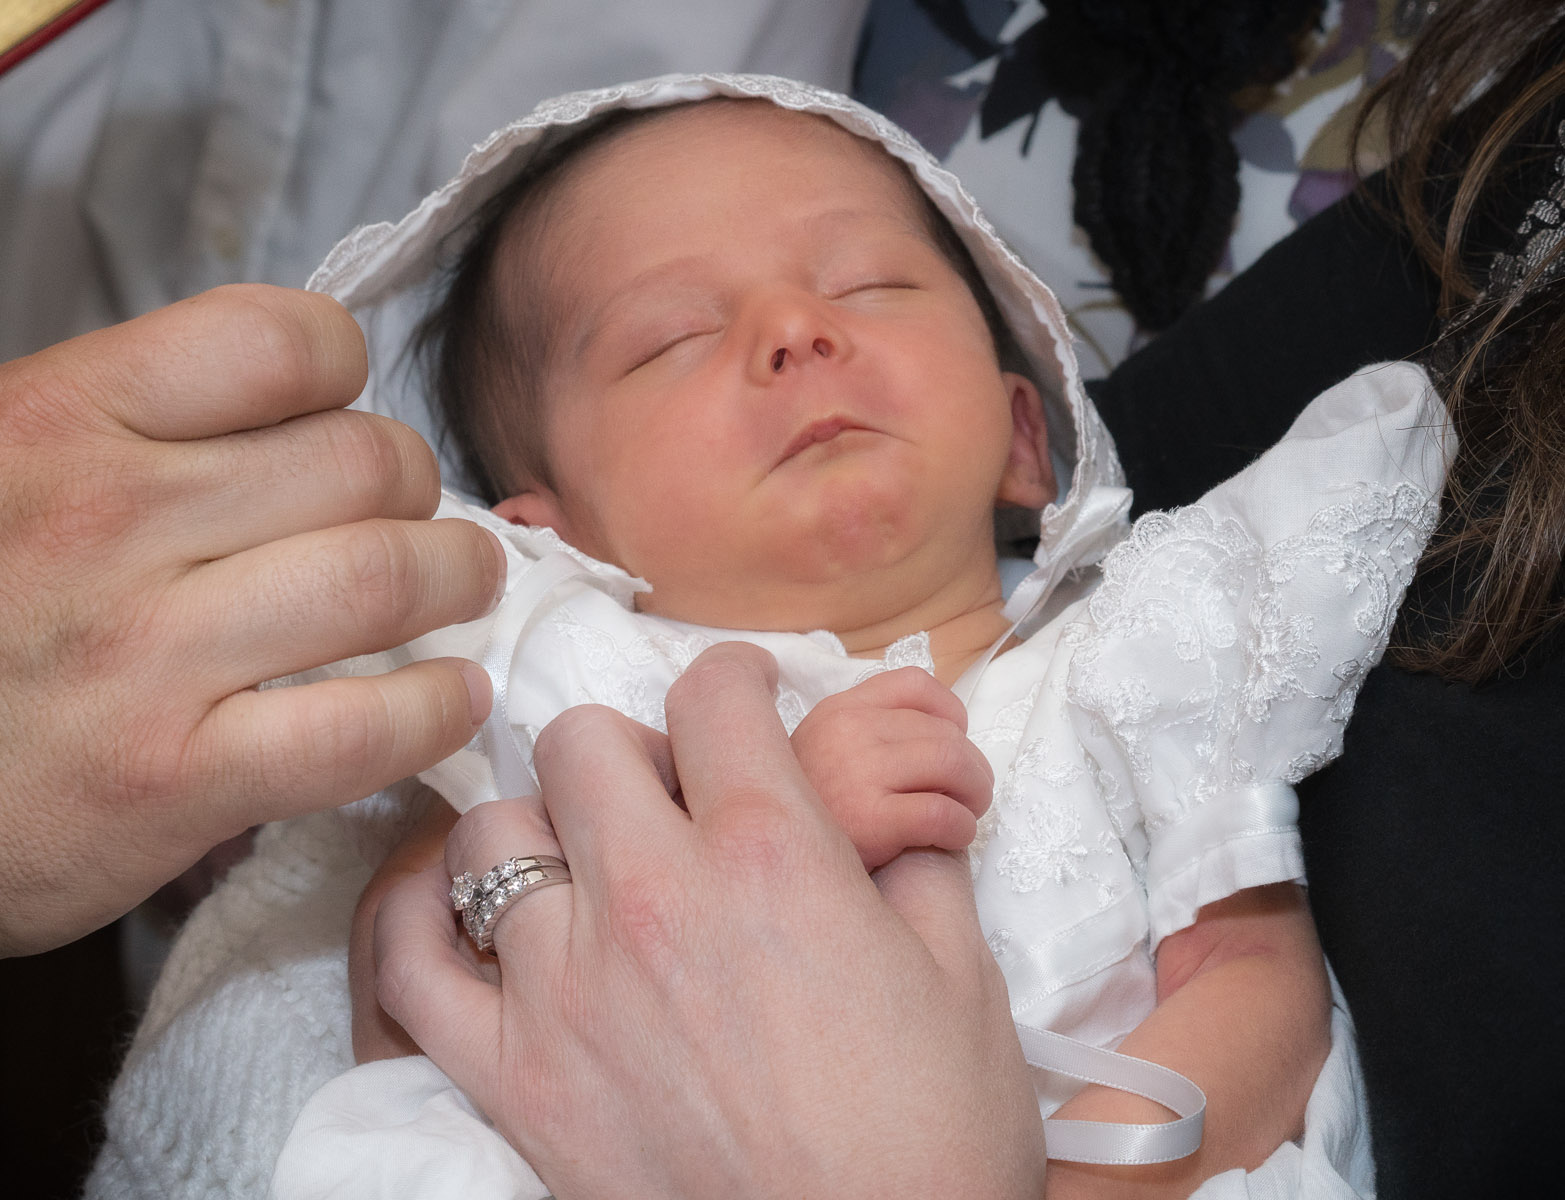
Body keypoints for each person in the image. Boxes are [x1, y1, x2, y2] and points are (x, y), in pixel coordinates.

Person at [92, 75, 1443, 1199]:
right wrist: (768, 815)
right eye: (670, 338)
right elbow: (416, 1015)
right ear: (546, 536)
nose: (796, 330)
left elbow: (1262, 1001)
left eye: (868, 283)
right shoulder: (565, 701)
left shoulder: (1147, 653)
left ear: (1026, 438)